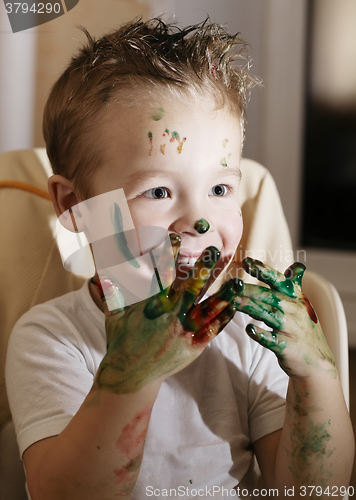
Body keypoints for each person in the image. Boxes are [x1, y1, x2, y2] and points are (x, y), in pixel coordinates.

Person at [5, 17, 353, 500]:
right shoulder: (51, 340)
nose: (200, 220)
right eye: (159, 190)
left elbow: (311, 492)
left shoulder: (249, 338)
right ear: (73, 206)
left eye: (220, 188)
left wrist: (317, 377)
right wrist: (130, 375)